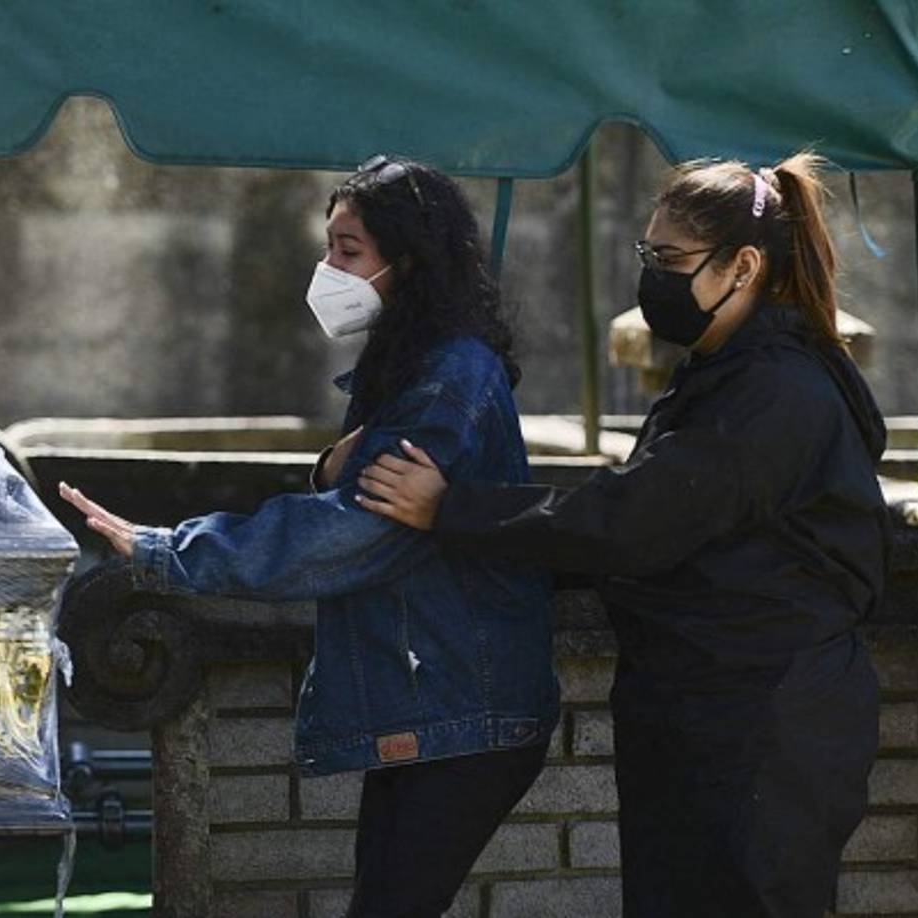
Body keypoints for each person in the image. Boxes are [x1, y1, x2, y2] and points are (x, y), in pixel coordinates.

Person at [356, 153, 889, 918]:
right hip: (709, 714)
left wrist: (453, 509)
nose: (653, 278)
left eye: (669, 260)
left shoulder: (775, 389)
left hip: (762, 726)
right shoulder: (729, 369)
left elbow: (634, 521)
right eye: (649, 256)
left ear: (743, 266)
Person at [60, 156, 559, 917]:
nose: (328, 268)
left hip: (462, 707)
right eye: (329, 247)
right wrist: (331, 467)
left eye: (348, 251)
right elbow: (361, 495)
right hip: (435, 702)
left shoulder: (450, 373)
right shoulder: (414, 364)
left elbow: (359, 531)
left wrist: (175, 551)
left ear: (410, 261)